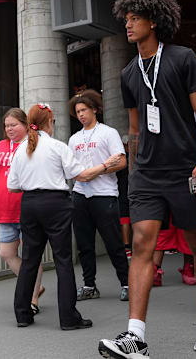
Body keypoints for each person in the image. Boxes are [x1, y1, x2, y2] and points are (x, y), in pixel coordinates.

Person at [98, 0, 196, 358]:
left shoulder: (183, 59)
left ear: (154, 20)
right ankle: (135, 335)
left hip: (185, 167)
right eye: (126, 19)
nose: (129, 24)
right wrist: (134, 171)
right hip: (147, 175)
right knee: (141, 246)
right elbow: (135, 129)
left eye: (135, 18)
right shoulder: (127, 73)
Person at [7, 103, 123, 330]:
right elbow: (81, 175)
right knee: (62, 260)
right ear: (49, 122)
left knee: (30, 259)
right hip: (55, 204)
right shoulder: (57, 147)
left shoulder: (21, 149)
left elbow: (13, 186)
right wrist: (105, 165)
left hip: (29, 203)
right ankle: (68, 318)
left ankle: (22, 314)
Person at [0, 108, 45, 315]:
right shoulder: (0, 146)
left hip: (27, 209)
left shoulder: (33, 145)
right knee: (6, 253)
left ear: (25, 125)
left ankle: (32, 297)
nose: (9, 129)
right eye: (6, 125)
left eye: (13, 125)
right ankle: (34, 285)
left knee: (30, 255)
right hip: (4, 211)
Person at [67, 90, 130, 302]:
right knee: (85, 244)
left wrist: (96, 171)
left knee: (114, 242)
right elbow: (70, 168)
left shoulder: (108, 133)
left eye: (84, 110)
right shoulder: (74, 139)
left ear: (94, 109)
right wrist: (82, 175)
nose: (81, 114)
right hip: (80, 195)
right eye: (77, 112)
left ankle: (127, 283)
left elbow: (121, 162)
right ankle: (89, 285)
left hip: (104, 194)